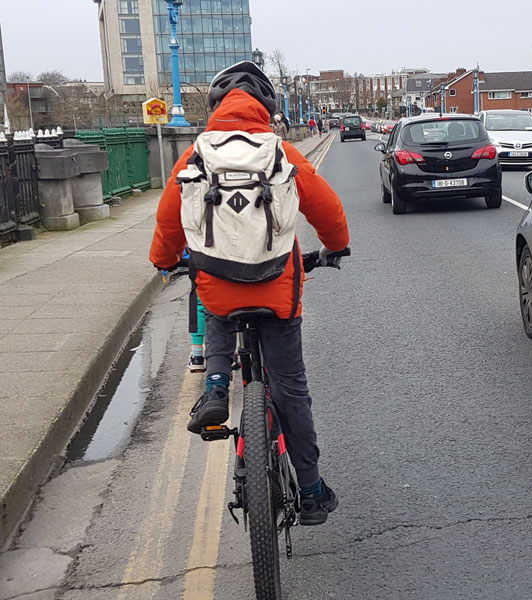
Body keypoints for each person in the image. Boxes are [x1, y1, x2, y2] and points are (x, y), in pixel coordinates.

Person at [149, 61, 350, 525]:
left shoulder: (195, 154)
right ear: (267, 109)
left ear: (216, 106)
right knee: (291, 389)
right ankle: (312, 488)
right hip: (277, 289)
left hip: (220, 286)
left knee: (216, 306)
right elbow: (327, 207)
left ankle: (216, 386)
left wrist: (164, 260)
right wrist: (336, 247)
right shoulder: (279, 151)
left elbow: (168, 217)